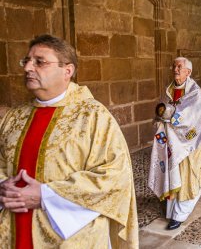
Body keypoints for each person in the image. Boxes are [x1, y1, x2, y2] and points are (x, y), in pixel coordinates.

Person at [0, 34, 139, 248]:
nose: (28, 67)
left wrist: (46, 196)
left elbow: (115, 176)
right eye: (26, 61)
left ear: (68, 70)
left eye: (39, 62)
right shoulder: (14, 116)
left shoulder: (93, 115)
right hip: (13, 227)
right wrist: (2, 185)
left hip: (72, 236)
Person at [148, 57, 201, 230]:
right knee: (173, 173)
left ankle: (180, 214)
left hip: (190, 143)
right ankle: (171, 209)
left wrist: (172, 117)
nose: (175, 69)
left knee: (187, 176)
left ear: (188, 72)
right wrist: (160, 118)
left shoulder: (194, 92)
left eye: (179, 67)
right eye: (174, 66)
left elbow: (195, 118)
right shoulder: (169, 90)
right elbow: (161, 110)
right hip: (171, 143)